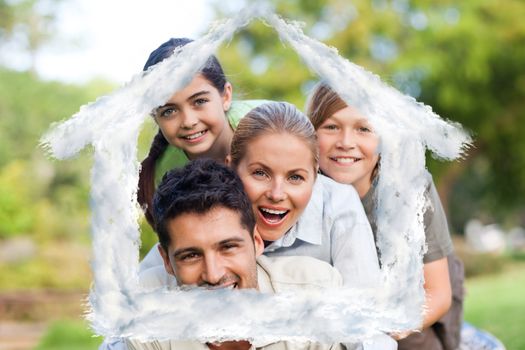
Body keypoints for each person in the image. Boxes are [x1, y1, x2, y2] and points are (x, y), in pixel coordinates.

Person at [306, 82, 464, 350]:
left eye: (364, 129)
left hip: (417, 307)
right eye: (331, 127)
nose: (346, 142)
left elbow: (437, 294)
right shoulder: (299, 194)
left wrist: (384, 328)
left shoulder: (410, 189)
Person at [126, 158, 346, 350]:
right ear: (167, 261)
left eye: (228, 247)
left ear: (257, 242)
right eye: (191, 256)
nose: (212, 275)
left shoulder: (316, 295)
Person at [137, 38, 266, 271]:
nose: (188, 121)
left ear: (226, 96)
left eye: (199, 101)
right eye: (169, 111)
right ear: (155, 117)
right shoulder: (166, 171)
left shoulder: (267, 130)